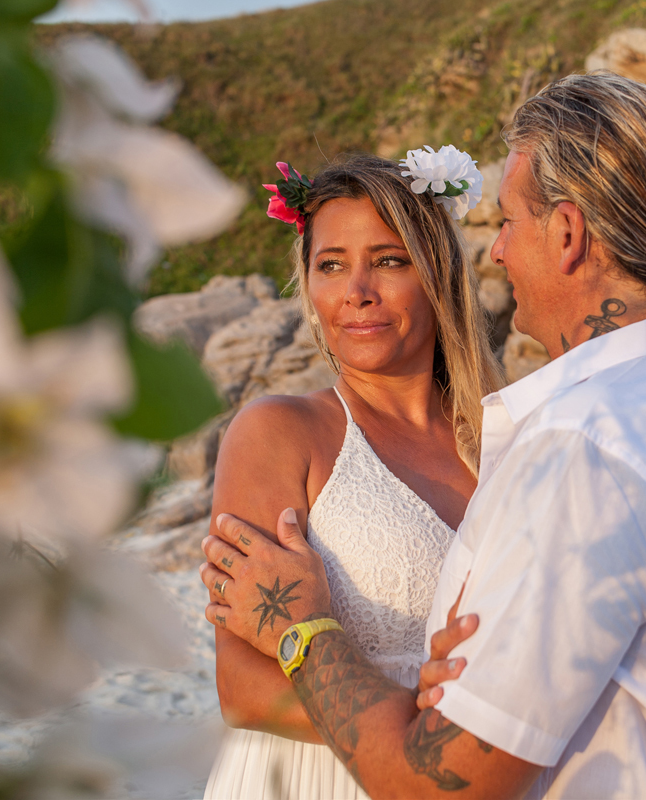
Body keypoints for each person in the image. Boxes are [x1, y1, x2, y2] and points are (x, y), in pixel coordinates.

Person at [201, 72, 646, 799]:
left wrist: (321, 642)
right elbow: (239, 683)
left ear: (566, 234)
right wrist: (425, 710)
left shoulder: (569, 446)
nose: (497, 251)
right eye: (331, 266)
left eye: (508, 222)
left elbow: (448, 775)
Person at [201, 153, 503, 799]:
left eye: (389, 260)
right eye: (330, 264)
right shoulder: (279, 434)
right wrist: (444, 720)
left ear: (438, 272)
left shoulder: (504, 441)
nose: (356, 290)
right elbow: (243, 692)